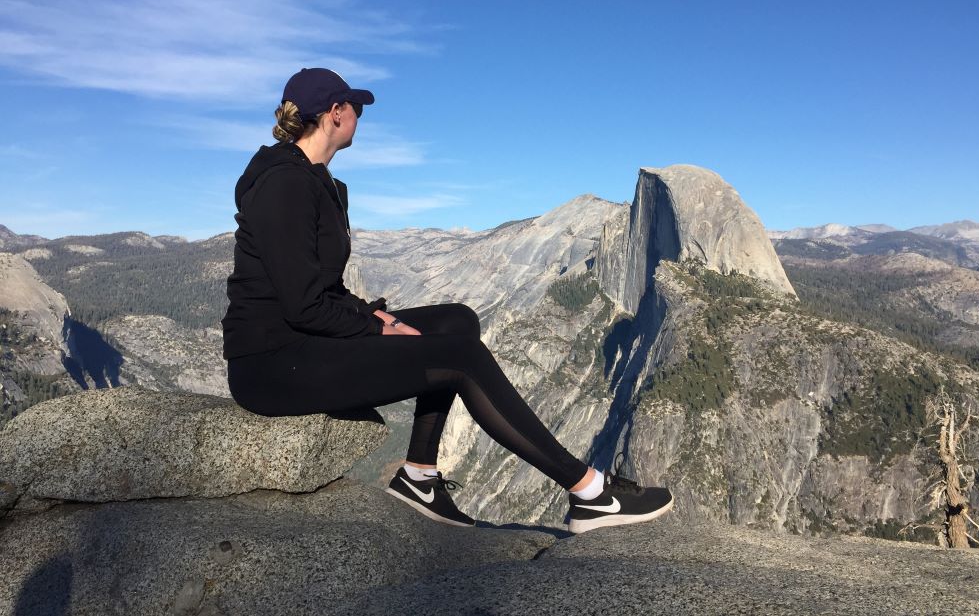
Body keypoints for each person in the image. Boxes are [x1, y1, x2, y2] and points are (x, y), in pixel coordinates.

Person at [221, 67, 673, 533]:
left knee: (457, 321)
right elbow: (301, 304)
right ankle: (589, 492)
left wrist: (369, 312)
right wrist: (382, 328)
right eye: (355, 106)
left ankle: (419, 475)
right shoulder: (285, 183)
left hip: (305, 340)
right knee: (461, 357)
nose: (360, 114)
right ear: (335, 114)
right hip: (273, 363)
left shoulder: (319, 182)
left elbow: (321, 287)